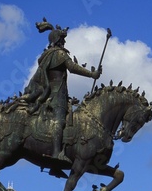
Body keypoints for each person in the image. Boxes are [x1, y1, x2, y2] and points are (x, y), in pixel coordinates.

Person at [24, 20, 102, 164]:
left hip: (54, 93)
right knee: (59, 121)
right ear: (57, 40)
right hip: (56, 94)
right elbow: (72, 68)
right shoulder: (59, 54)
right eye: (62, 39)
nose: (64, 42)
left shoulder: (47, 55)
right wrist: (92, 75)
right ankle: (55, 153)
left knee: (68, 120)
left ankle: (57, 162)